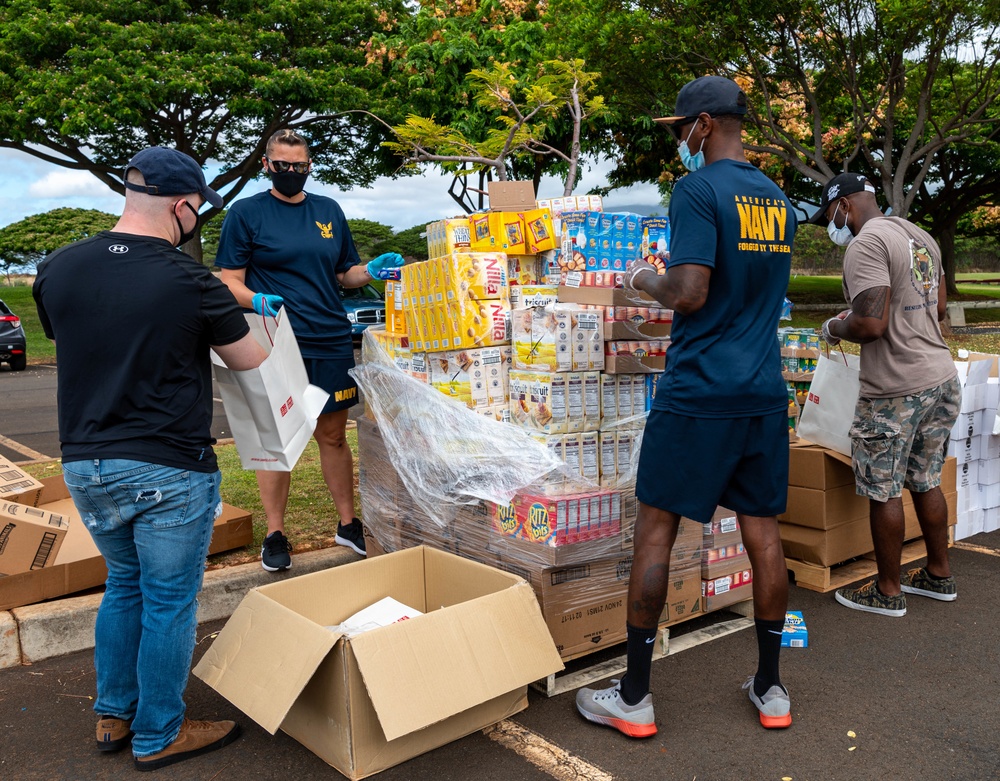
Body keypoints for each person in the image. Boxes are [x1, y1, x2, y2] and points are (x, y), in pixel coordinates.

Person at [575, 75, 798, 737]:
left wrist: (644, 277)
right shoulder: (776, 198)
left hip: (699, 391)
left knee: (656, 531)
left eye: (680, 128)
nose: (679, 139)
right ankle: (771, 686)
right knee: (763, 534)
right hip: (762, 390)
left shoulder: (697, 190)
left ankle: (634, 697)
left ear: (703, 125)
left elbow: (690, 291)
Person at [32, 147, 269, 770]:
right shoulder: (190, 279)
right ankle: (159, 733)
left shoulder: (57, 268)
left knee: (123, 584)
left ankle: (114, 714)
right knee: (168, 600)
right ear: (182, 206)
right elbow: (250, 360)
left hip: (84, 463)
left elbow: (81, 336)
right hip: (167, 464)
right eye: (198, 211)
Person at [216, 129, 403, 571]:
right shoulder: (246, 213)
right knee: (277, 439)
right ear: (266, 165)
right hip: (276, 343)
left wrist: (370, 270)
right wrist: (256, 300)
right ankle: (275, 533)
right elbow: (229, 280)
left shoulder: (328, 211)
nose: (291, 172)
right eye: (282, 165)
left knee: (333, 436)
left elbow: (345, 274)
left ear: (309, 166)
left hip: (329, 337)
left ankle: (347, 524)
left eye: (299, 166)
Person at [811, 173, 960, 617]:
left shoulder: (866, 245)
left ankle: (887, 591)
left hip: (896, 389)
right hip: (940, 378)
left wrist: (834, 326)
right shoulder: (919, 235)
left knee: (884, 489)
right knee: (926, 478)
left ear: (844, 205)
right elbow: (938, 308)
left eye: (830, 215)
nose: (831, 225)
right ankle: (939, 574)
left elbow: (871, 326)